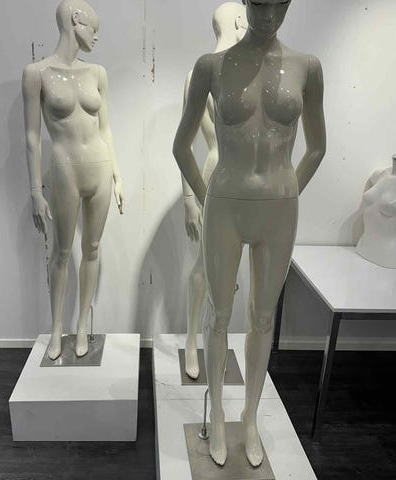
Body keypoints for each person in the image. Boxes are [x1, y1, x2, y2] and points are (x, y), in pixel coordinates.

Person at [173, 0, 326, 467]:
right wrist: (206, 198)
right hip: (226, 202)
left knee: (263, 317)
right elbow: (181, 146)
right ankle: (219, 415)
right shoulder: (212, 66)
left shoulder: (307, 67)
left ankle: (251, 417)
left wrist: (288, 193)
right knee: (219, 314)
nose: (269, 13)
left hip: (279, 207)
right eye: (258, 1)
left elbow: (317, 147)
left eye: (280, 2)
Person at [22, 0, 124, 360]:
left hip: (100, 169)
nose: (96, 37)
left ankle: (82, 326)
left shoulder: (97, 73)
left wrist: (117, 173)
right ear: (75, 19)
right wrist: (35, 191)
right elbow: (33, 137)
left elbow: (105, 128)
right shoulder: (36, 73)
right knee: (62, 252)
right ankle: (56, 328)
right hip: (64, 169)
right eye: (93, 29)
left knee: (92, 249)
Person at [182, 2, 248, 379]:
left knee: (231, 266)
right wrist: (188, 199)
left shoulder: (250, 73)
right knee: (205, 264)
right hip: (214, 170)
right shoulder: (199, 73)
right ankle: (192, 338)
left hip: (245, 179)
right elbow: (184, 141)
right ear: (239, 21)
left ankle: (215, 337)